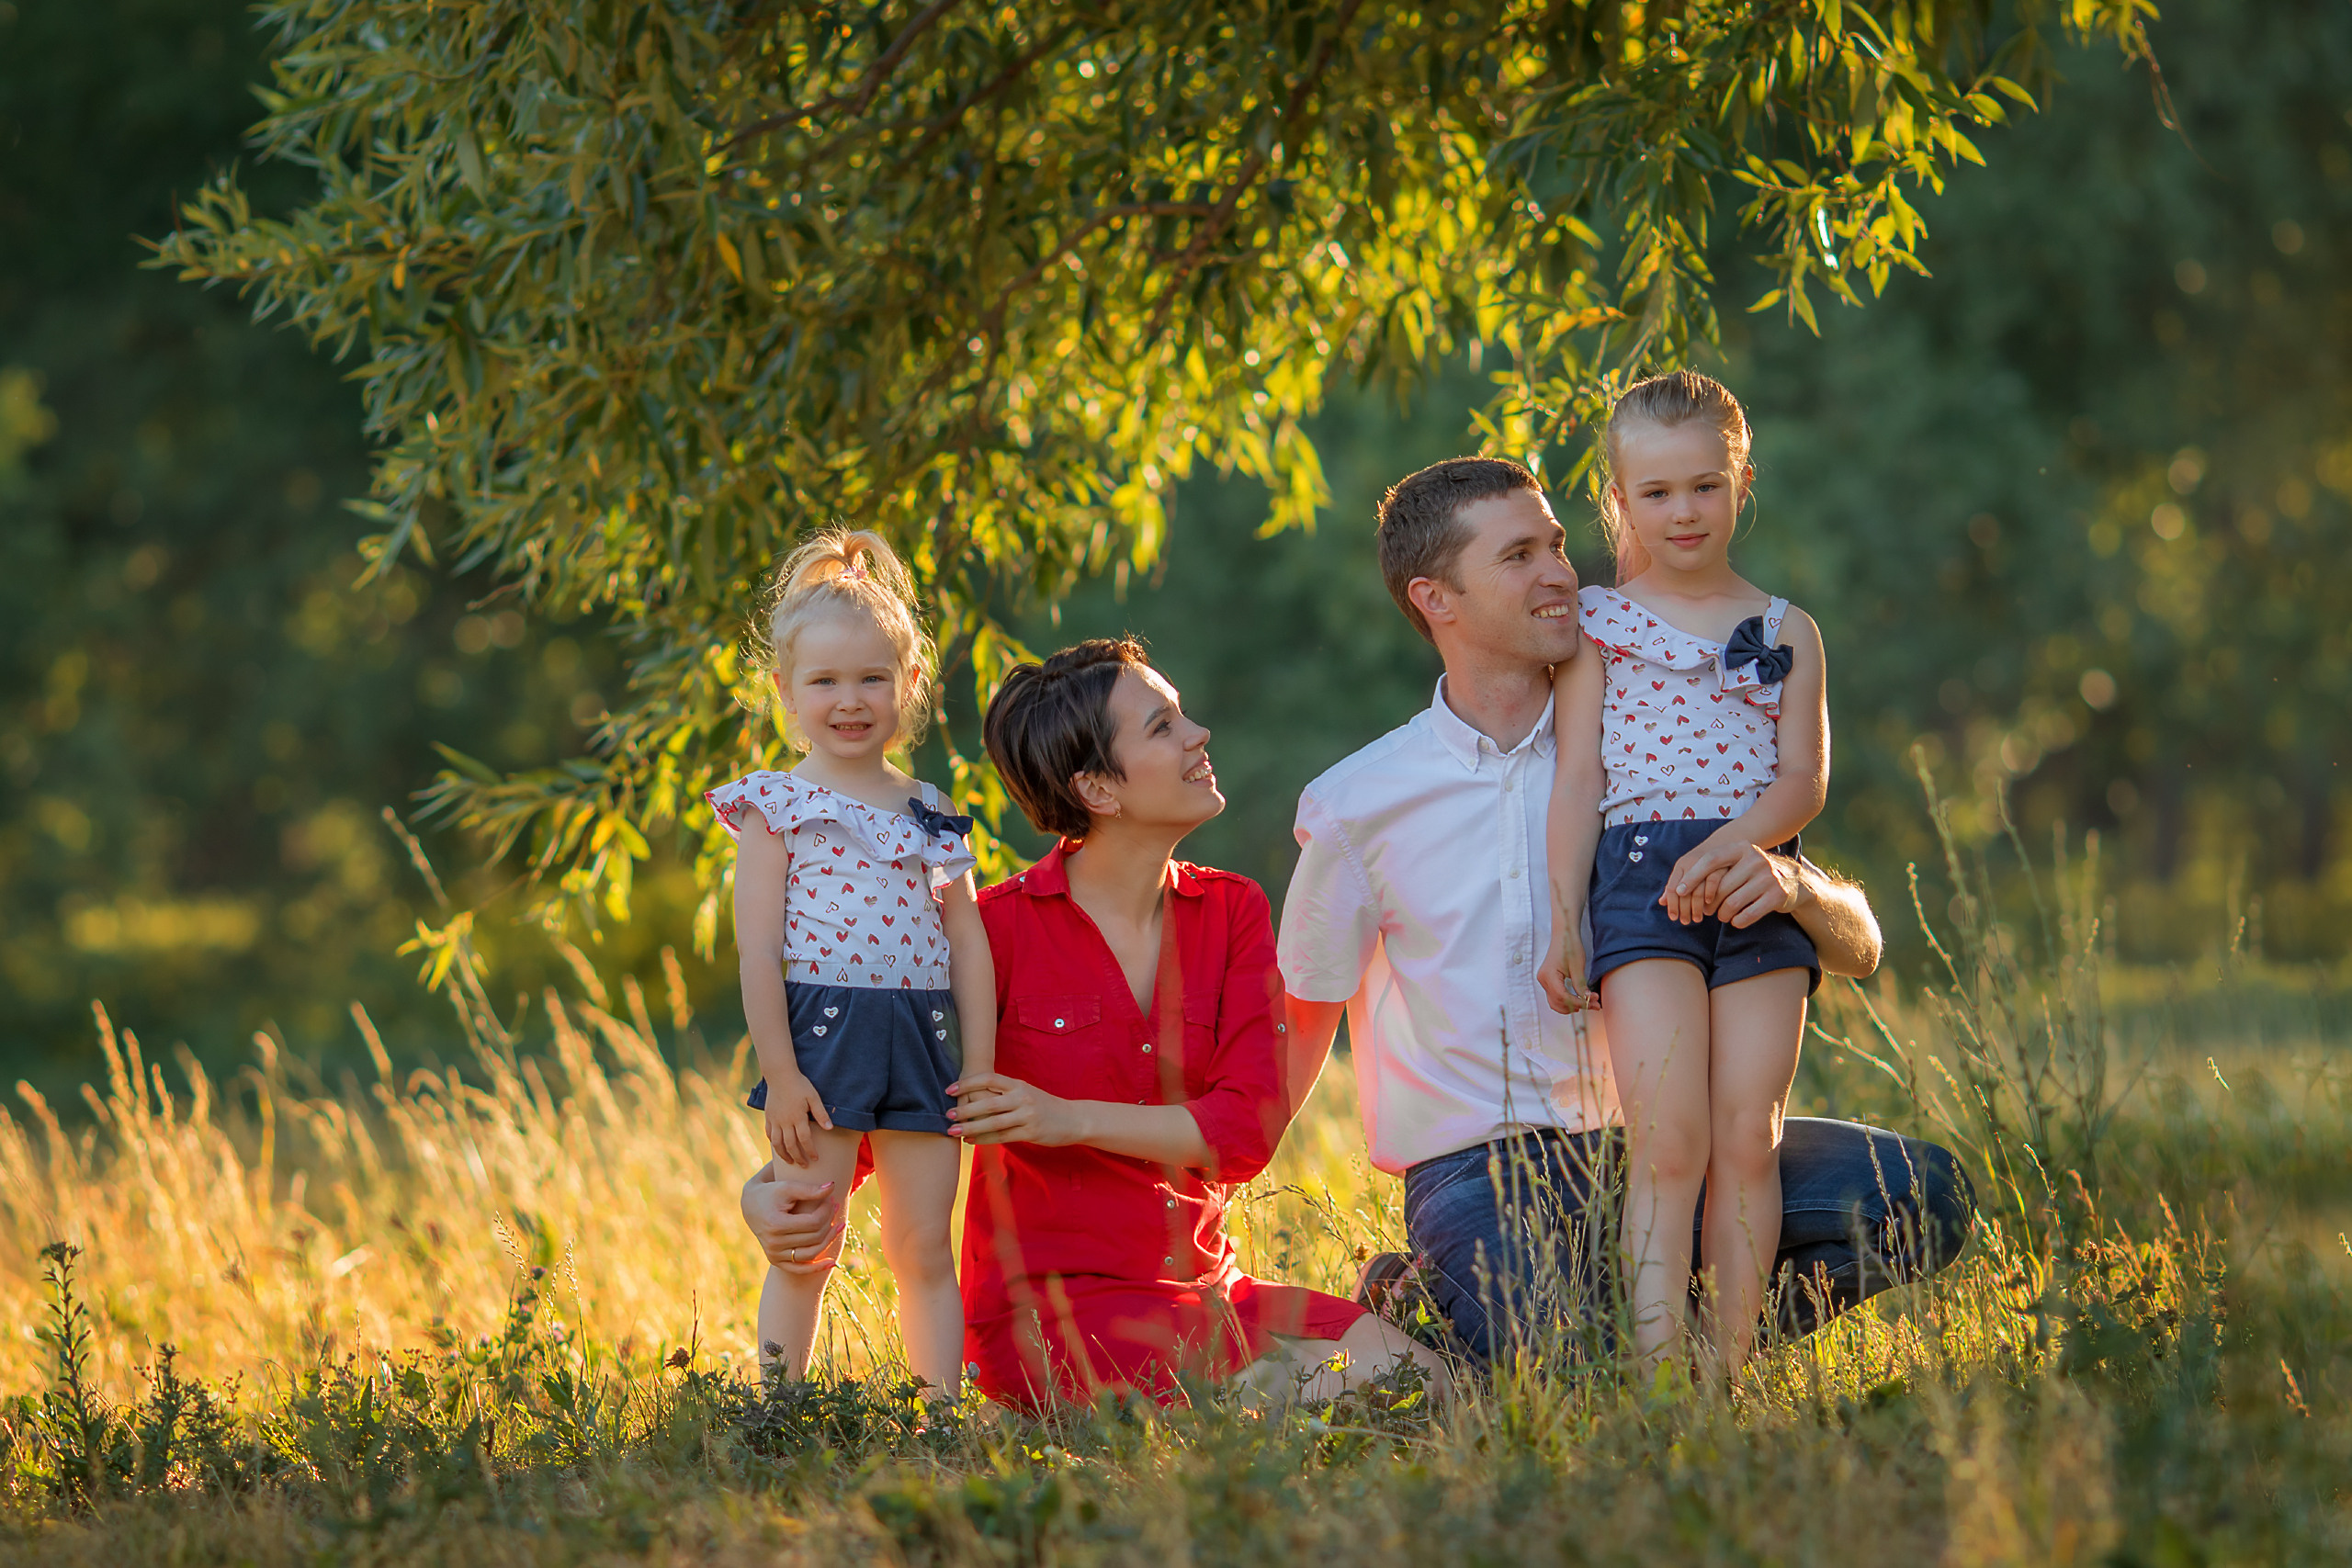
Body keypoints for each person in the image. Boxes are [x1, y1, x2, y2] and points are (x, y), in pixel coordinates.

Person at [1278, 455, 1972, 1368]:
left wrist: (1797, 886)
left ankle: (1681, 1352)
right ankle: (1454, 1314)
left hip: (1660, 1141)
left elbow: (1861, 948)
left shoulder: (1660, 729)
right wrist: (1194, 1202)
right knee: (1548, 1368)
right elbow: (1293, 1029)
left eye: (1557, 544)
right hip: (1480, 1174)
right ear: (1436, 599)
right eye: (1518, 556)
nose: (1560, 572)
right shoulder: (1358, 805)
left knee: (1918, 1195)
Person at [944, 638, 1442, 1409]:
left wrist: (1063, 1118)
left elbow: (1242, 1135)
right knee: (1272, 1394)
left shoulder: (1232, 909)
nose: (1198, 734)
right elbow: (898, 1113)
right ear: (1098, 789)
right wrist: (787, 1189)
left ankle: (1295, 1383)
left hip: (1212, 1291)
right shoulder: (994, 933)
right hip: (1056, 1312)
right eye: (1162, 727)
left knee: (1426, 1382)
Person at [1542, 371, 1828, 1374]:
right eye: (1655, 493)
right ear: (1618, 501)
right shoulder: (1596, 628)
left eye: (1704, 486)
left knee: (1748, 1135)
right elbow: (1577, 780)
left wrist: (1734, 844)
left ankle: (1728, 1370)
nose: (1682, 511)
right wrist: (1563, 919)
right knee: (1668, 1144)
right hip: (1636, 879)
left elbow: (1804, 780)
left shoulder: (1786, 629)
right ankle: (1661, 1372)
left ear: (1740, 480)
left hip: (1753, 877)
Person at [706, 529, 994, 1399]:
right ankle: (780, 1412)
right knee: (807, 1238)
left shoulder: (932, 810)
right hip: (820, 1039)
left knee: (922, 1246)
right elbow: (757, 949)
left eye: (872, 677)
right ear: (787, 694)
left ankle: (938, 1417)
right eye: (824, 681)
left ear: (910, 684)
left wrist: (978, 1065)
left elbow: (967, 941)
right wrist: (781, 1075)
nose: (850, 699)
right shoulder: (778, 805)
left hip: (923, 1040)